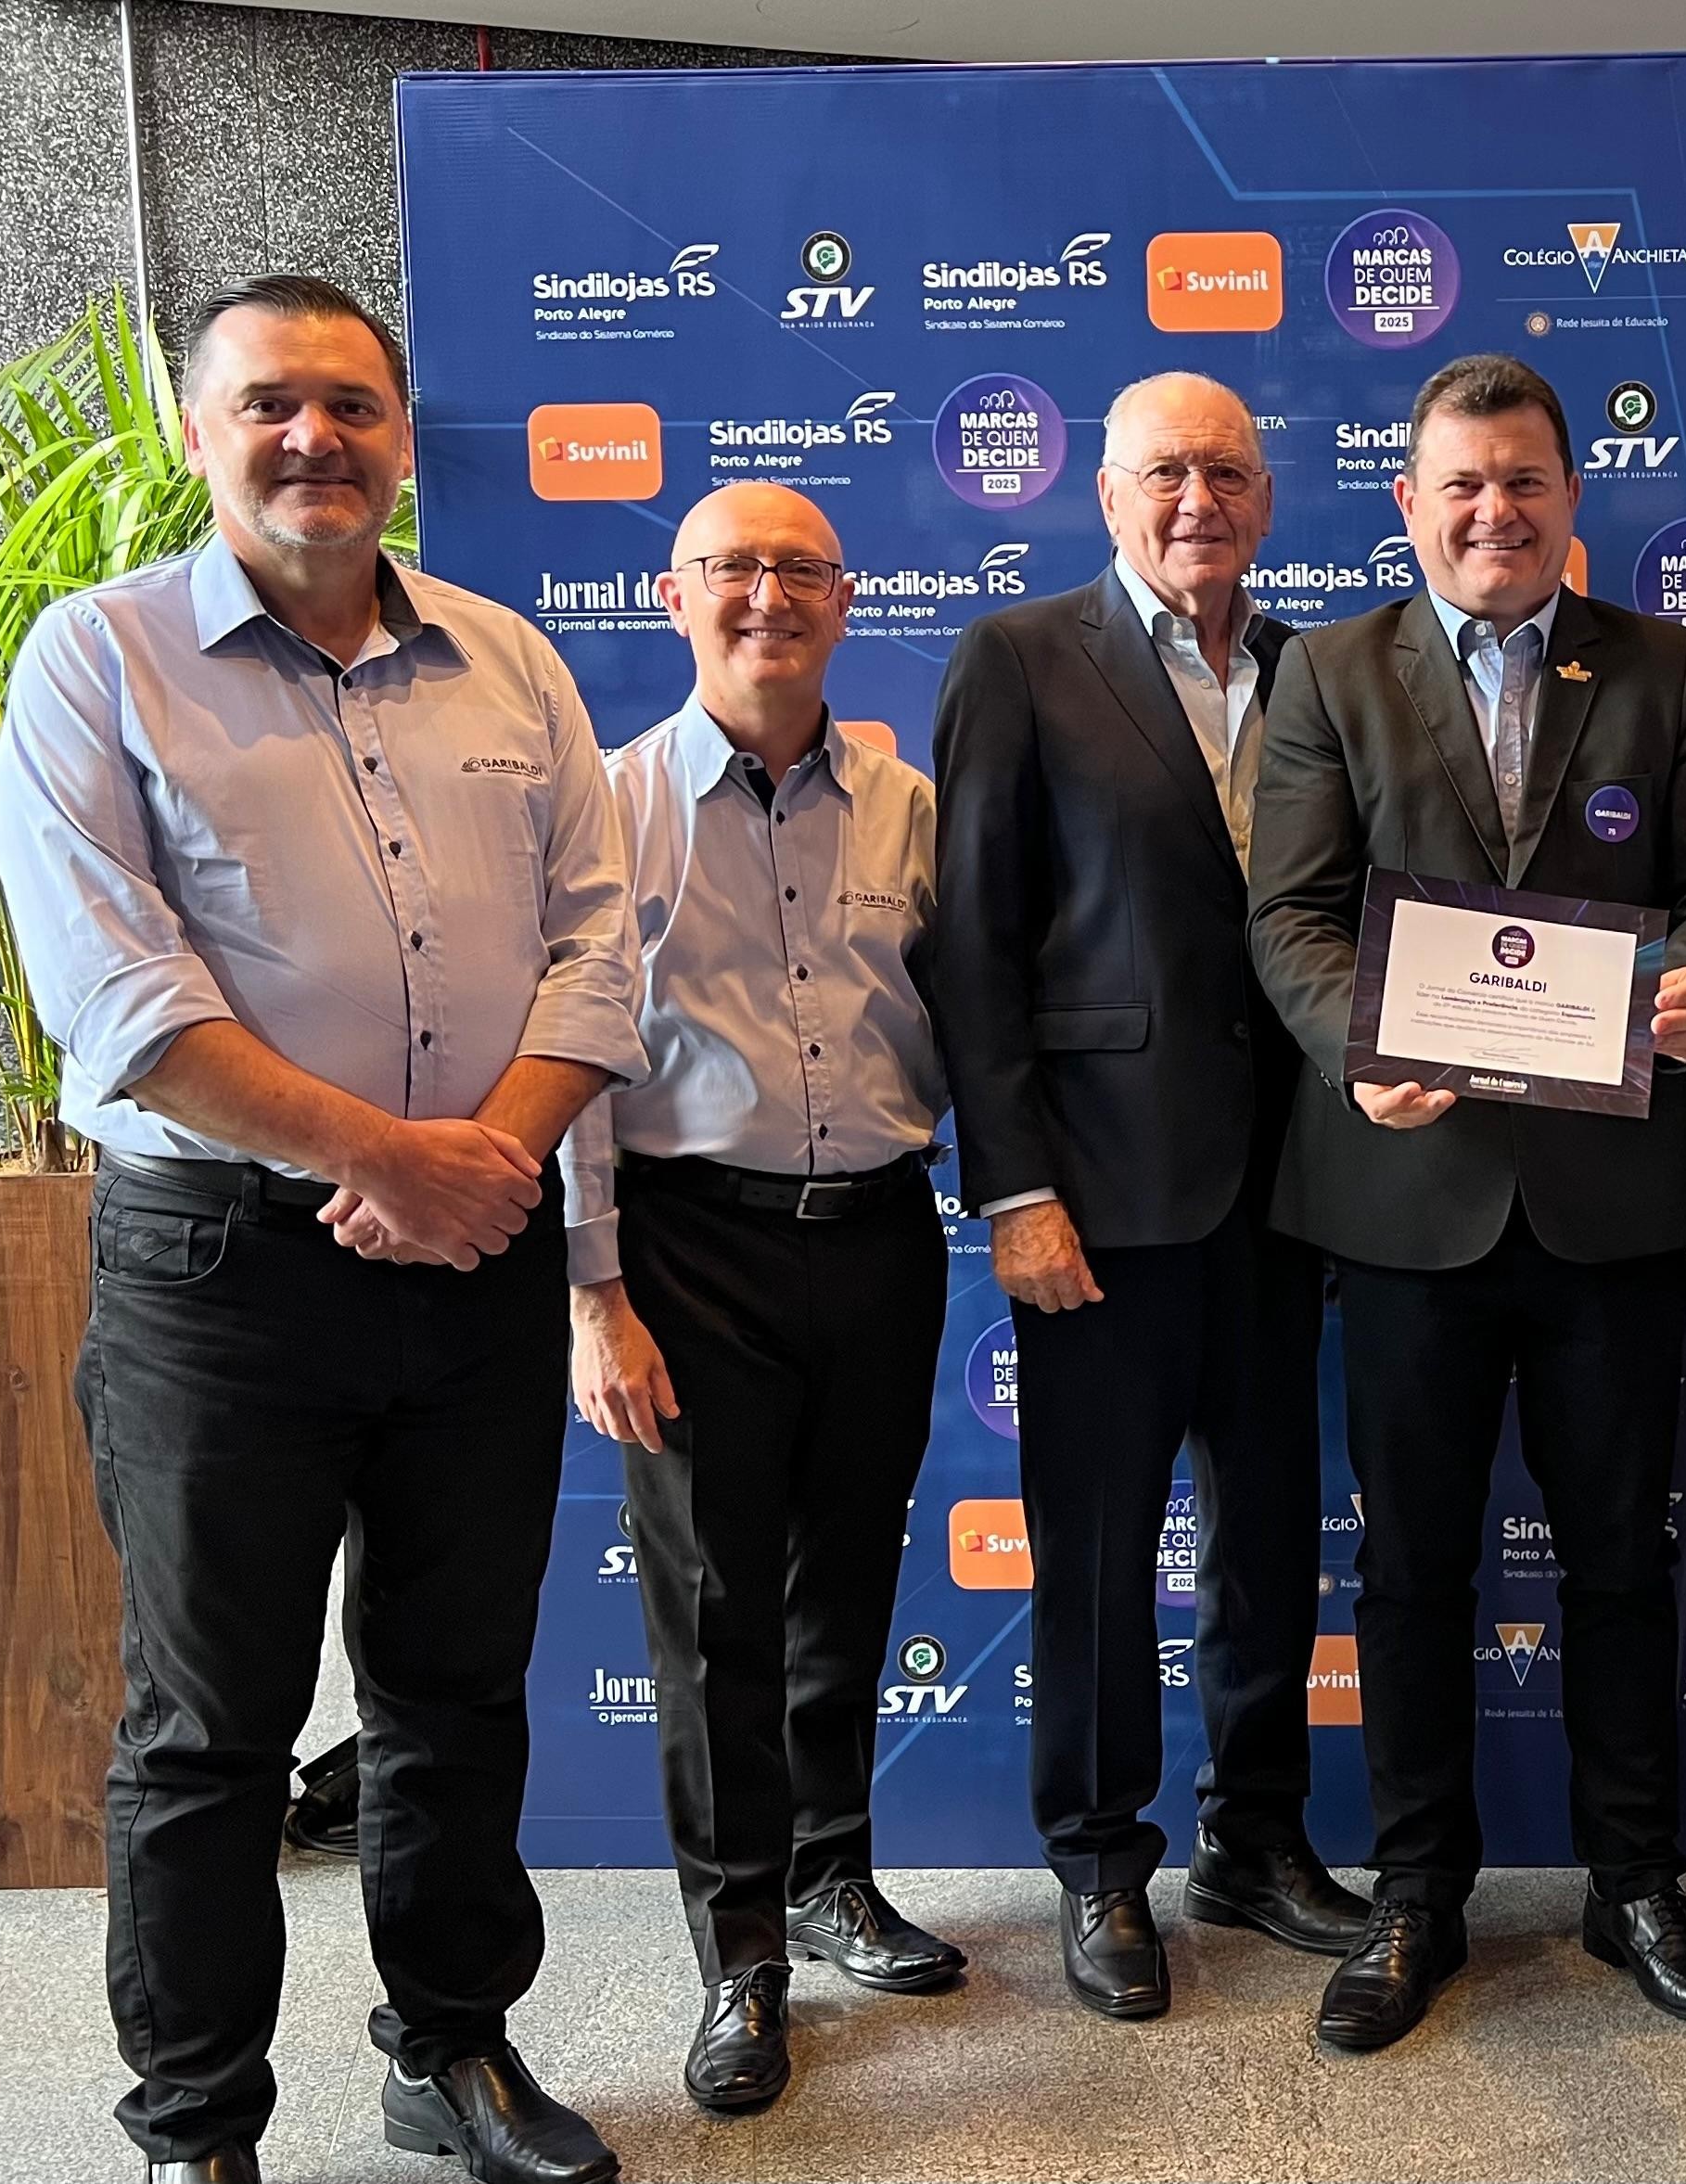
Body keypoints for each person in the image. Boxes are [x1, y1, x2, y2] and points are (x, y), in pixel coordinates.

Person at [0, 275, 638, 2184]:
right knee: (212, 1723)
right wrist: (388, 1155)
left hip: (480, 1255)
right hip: (222, 1276)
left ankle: (452, 2048)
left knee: (456, 1689)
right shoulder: (96, 661)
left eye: (351, 404)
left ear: (402, 438)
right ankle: (198, 2122)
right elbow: (119, 1002)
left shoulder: (510, 661)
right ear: (197, 432)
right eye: (269, 402)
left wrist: (484, 1160)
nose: (312, 437)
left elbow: (600, 943)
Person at [1246, 352, 1686, 2050]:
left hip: (1608, 1202)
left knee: (1619, 1561)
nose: (1495, 512)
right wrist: (1356, 1048)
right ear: (1410, 502)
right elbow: (1291, 914)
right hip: (1408, 1201)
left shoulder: (1662, 665)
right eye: (1462, 484)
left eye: (1525, 481)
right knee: (1410, 1572)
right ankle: (1416, 1894)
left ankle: (1635, 1884)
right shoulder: (1330, 671)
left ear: (1568, 497)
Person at [926, 372, 1367, 2023]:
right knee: (1100, 1551)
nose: (1200, 500)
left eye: (1229, 473)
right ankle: (1101, 1859)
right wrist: (1015, 1189)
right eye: (1166, 472)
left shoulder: (1316, 668)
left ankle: (1254, 1837)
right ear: (1107, 495)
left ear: (1268, 497)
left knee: (1268, 1540)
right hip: (1097, 1199)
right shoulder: (1019, 659)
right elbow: (974, 949)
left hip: (1294, 1189)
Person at [561, 482, 963, 2115]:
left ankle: (829, 1875)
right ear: (673, 598)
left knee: (844, 1588)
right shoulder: (607, 805)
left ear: (844, 600)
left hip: (877, 1236)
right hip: (685, 1247)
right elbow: (573, 1061)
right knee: (715, 1612)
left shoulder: (911, 807)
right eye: (731, 568)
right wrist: (593, 1291)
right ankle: (739, 1957)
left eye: (799, 569)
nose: (766, 596)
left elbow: (969, 1016)